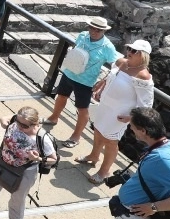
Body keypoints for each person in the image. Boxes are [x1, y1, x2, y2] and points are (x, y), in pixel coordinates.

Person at [83, 40, 155, 185]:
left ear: (143, 55)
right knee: (97, 130)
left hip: (119, 113)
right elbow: (111, 75)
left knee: (111, 141)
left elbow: (146, 103)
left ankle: (104, 171)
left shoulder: (143, 76)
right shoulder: (122, 61)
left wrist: (131, 117)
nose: (130, 52)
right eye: (129, 48)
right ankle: (94, 155)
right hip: (106, 105)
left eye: (135, 51)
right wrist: (101, 86)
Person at [43, 17, 120, 149]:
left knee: (82, 109)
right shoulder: (82, 36)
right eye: (92, 28)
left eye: (98, 30)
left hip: (85, 82)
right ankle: (54, 117)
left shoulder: (108, 47)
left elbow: (116, 65)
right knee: (61, 96)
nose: (94, 31)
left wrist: (103, 81)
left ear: (103, 31)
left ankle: (76, 136)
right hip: (69, 73)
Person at [0, 106, 57, 219]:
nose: (19, 127)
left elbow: (53, 158)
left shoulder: (42, 138)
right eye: (18, 123)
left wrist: (38, 159)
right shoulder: (17, 120)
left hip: (24, 172)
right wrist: (3, 121)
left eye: (24, 126)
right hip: (2, 163)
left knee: (17, 200)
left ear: (35, 124)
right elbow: (5, 118)